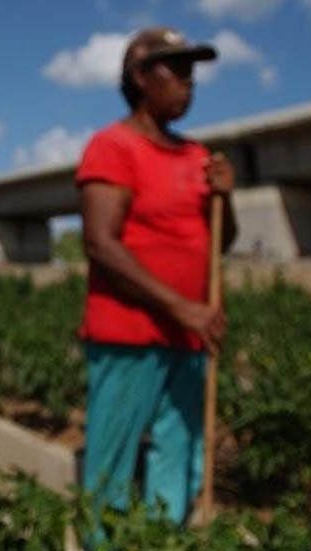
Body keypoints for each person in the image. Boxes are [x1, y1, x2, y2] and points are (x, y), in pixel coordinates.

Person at [76, 26, 238, 538]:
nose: (190, 82)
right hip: (130, 337)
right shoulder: (113, 147)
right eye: (178, 69)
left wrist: (225, 196)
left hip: (189, 335)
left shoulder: (198, 158)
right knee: (112, 463)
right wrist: (180, 307)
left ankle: (165, 541)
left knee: (180, 453)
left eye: (194, 71)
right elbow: (101, 244)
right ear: (142, 77)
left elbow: (221, 240)